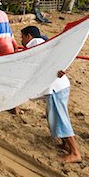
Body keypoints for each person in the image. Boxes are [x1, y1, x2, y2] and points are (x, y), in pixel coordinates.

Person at [21, 25, 82, 164]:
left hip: (56, 87)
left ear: (28, 36)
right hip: (58, 86)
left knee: (60, 117)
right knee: (54, 116)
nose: (21, 40)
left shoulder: (35, 43)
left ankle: (75, 152)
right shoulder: (42, 43)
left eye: (22, 36)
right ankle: (65, 144)